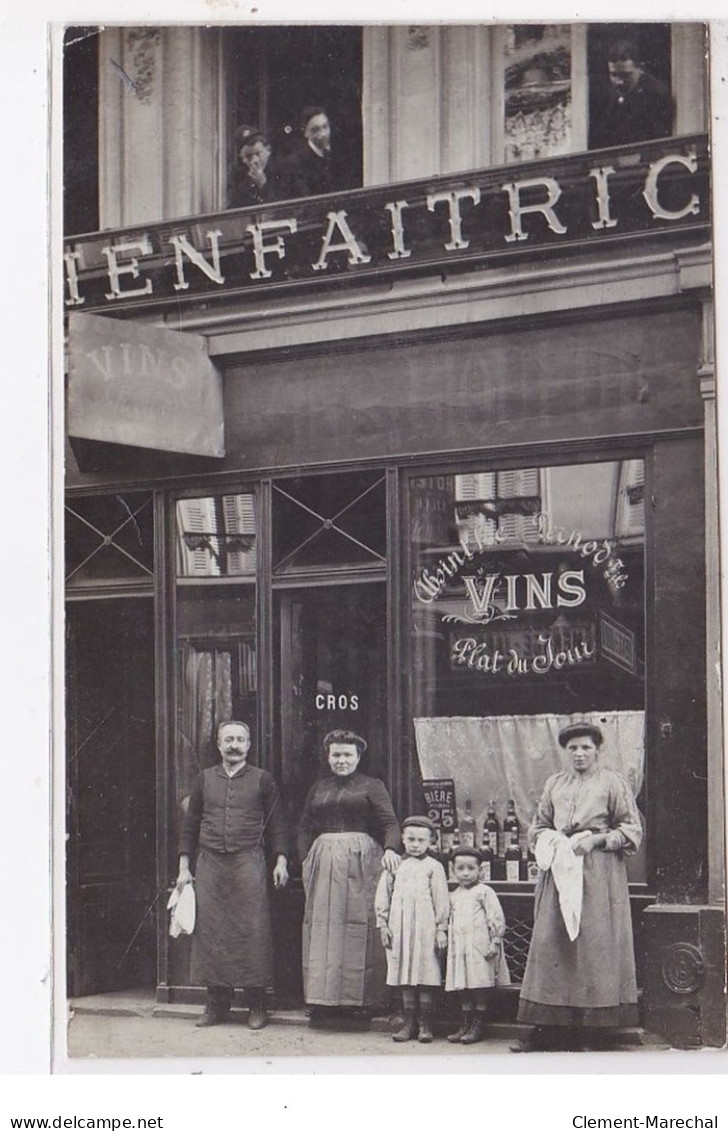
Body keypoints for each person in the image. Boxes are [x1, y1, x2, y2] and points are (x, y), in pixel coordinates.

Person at [512, 721, 642, 1052]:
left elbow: (631, 831)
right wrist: (550, 839)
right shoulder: (555, 783)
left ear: (598, 749)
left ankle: (591, 1032)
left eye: (585, 747)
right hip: (558, 872)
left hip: (598, 874)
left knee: (591, 946)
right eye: (573, 748)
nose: (579, 753)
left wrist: (596, 839)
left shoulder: (613, 783)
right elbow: (538, 826)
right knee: (551, 942)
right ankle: (548, 1029)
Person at [176, 720, 289, 1030]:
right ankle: (216, 1004)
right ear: (219, 744)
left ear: (249, 744)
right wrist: (184, 867)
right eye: (228, 740)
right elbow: (190, 825)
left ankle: (256, 1004)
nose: (234, 745)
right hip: (209, 864)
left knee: (252, 931)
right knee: (211, 933)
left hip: (247, 862)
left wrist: (280, 861)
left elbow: (277, 823)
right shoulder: (203, 780)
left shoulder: (263, 780)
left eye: (240, 739)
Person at [297, 730, 401, 1020]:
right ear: (328, 757)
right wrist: (305, 858)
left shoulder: (372, 785)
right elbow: (304, 826)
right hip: (324, 862)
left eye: (347, 755)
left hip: (361, 863)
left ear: (358, 757)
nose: (341, 760)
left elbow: (390, 822)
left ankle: (362, 1001)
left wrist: (391, 849)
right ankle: (323, 999)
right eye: (336, 755)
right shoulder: (319, 787)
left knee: (359, 926)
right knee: (323, 927)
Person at [374, 816, 450, 1043]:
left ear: (430, 842)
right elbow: (383, 897)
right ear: (403, 840)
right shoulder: (394, 865)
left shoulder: (434, 867)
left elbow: (441, 899)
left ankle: (426, 1024)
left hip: (426, 928)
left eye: (421, 840)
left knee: (425, 972)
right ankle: (409, 1022)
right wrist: (383, 925)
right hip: (401, 928)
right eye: (411, 839)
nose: (415, 844)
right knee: (405, 974)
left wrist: (441, 928)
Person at [445, 846, 510, 1045]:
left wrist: (495, 940)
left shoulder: (484, 892)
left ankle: (478, 1024)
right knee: (463, 984)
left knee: (479, 984)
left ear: (479, 870)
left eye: (471, 868)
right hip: (460, 947)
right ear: (453, 870)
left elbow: (495, 917)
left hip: (479, 946)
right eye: (461, 868)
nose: (465, 873)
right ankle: (465, 1023)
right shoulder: (453, 894)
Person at [591, 39, 673, 149]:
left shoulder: (656, 96)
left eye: (625, 75)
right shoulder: (608, 96)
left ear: (640, 69)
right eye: (614, 75)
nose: (619, 82)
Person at [278, 106, 345, 199]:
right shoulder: (296, 163)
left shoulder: (337, 155)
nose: (323, 134)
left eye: (325, 127)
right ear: (306, 133)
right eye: (315, 130)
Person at [227, 126, 278, 209]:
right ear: (242, 159)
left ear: (268, 150)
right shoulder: (238, 176)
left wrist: (263, 184)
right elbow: (234, 208)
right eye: (248, 156)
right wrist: (249, 183)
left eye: (258, 154)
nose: (254, 160)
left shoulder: (282, 170)